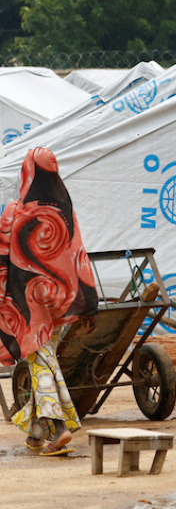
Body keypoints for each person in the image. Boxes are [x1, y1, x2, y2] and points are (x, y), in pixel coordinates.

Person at [0, 148, 98, 456]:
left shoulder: (15, 210)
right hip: (55, 299)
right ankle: (36, 434)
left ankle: (59, 428)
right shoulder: (64, 209)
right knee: (44, 358)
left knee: (41, 363)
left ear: (27, 174)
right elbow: (77, 255)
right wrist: (88, 303)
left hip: (25, 302)